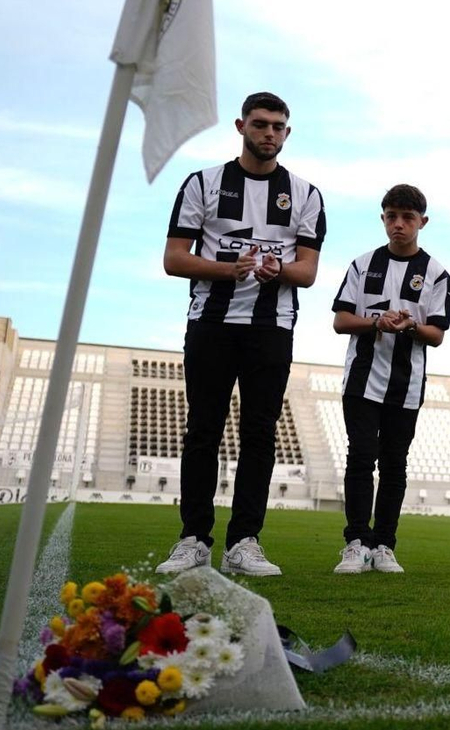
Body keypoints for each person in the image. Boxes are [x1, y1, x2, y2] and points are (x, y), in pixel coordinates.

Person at [155, 92, 326, 577]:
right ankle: (193, 539)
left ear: (287, 134)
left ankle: (245, 542)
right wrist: (228, 269)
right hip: (211, 322)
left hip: (271, 328)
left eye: (277, 126)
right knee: (203, 430)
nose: (268, 133)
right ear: (240, 126)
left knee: (259, 434)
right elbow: (174, 258)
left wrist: (279, 269)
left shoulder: (306, 195)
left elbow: (308, 271)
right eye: (259, 124)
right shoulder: (203, 183)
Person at [329, 184, 450, 575]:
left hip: (407, 383)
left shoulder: (435, 273)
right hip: (362, 380)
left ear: (423, 222)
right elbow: (340, 321)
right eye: (391, 217)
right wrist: (375, 322)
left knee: (395, 464)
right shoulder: (362, 265)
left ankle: (384, 545)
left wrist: (410, 326)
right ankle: (355, 543)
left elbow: (437, 334)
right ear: (383, 219)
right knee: (361, 458)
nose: (398, 225)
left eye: (407, 218)